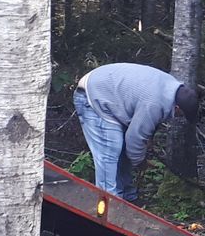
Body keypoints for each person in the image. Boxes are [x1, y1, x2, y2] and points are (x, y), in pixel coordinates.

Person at [72, 62, 198, 203]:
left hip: (111, 96)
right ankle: (110, 205)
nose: (177, 117)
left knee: (122, 150)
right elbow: (134, 139)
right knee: (110, 151)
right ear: (178, 108)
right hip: (94, 97)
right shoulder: (154, 103)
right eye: (180, 115)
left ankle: (128, 199)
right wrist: (140, 162)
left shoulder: (171, 87)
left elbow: (147, 120)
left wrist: (148, 139)